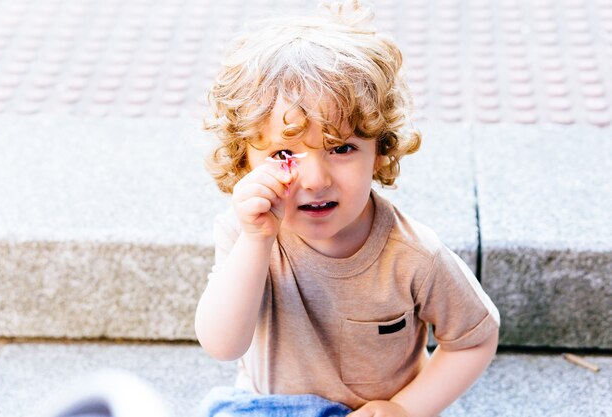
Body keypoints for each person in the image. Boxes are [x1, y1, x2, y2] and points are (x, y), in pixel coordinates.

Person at [195, 1, 500, 416]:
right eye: (285, 153)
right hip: (270, 406)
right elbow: (223, 345)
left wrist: (406, 408)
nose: (316, 179)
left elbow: (475, 337)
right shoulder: (244, 232)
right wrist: (256, 241)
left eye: (341, 148)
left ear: (379, 152)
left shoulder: (413, 255)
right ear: (244, 160)